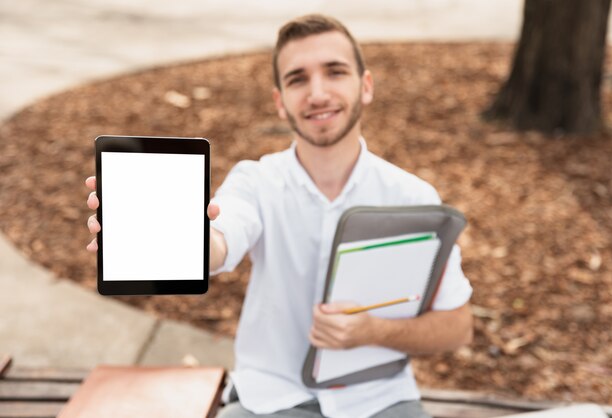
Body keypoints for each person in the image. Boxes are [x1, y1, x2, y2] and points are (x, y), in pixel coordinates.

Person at [86, 14, 473, 418]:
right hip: (269, 402)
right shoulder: (256, 182)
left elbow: (458, 327)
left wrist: (373, 332)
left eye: (335, 72)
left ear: (366, 86)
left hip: (381, 402)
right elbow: (219, 240)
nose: (317, 93)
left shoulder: (412, 197)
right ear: (280, 101)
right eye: (297, 79)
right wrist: (177, 238)